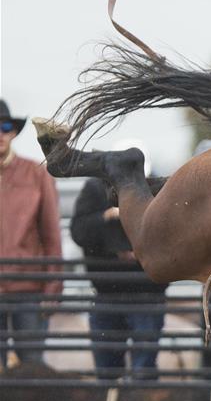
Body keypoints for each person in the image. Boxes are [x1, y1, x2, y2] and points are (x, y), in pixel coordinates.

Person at [71, 151, 167, 378]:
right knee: (110, 366)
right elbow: (79, 232)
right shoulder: (95, 190)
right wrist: (106, 217)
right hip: (114, 291)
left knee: (139, 367)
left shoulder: (158, 190)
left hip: (141, 292)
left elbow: (170, 236)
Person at [0, 98, 63, 367]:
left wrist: (52, 289)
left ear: (13, 132)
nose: (0, 134)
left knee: (32, 367)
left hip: (30, 288)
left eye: (4, 126)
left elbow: (52, 235)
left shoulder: (37, 174)